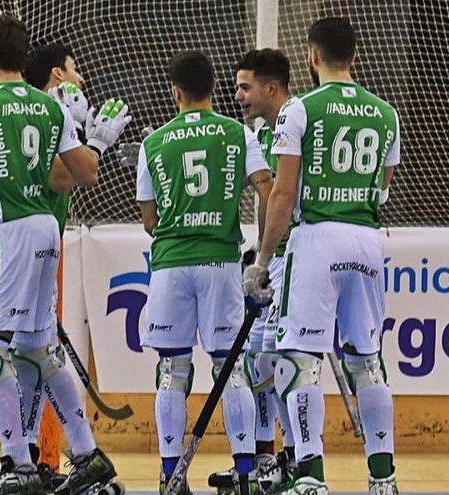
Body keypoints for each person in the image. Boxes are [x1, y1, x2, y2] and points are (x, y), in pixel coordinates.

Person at [0, 14, 129, 495]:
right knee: (39, 350)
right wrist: (96, 137)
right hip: (46, 230)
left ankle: (19, 465)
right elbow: (85, 173)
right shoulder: (52, 107)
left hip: (11, 233)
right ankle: (87, 456)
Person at [243, 17, 400, 495]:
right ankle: (383, 478)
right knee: (367, 361)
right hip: (368, 241)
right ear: (354, 56)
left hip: (318, 240)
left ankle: (310, 476)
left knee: (298, 358)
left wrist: (263, 262)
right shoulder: (386, 113)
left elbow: (283, 194)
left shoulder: (299, 110)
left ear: (311, 56)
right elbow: (384, 186)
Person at [136, 50, 273, 495]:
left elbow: (150, 220)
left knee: (172, 370)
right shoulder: (238, 133)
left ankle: (170, 475)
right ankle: (246, 473)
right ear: (215, 86)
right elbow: (268, 189)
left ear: (174, 91)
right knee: (230, 368)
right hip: (220, 262)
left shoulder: (153, 142)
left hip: (172, 265)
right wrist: (261, 254)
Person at [208, 48, 298, 494]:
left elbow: (280, 197)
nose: (238, 95)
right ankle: (266, 458)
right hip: (274, 260)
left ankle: (295, 458)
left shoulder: (293, 122)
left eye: (245, 87)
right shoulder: (263, 131)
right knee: (258, 360)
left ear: (271, 87)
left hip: (294, 260)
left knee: (283, 361)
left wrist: (267, 258)